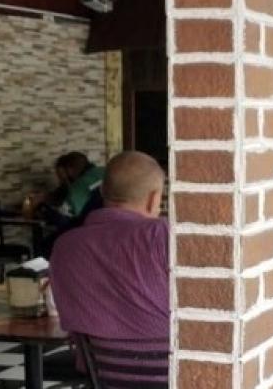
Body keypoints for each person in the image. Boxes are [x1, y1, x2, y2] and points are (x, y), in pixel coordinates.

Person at [50, 151, 169, 387]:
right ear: (154, 199)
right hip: (173, 378)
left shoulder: (65, 246)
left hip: (103, 379)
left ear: (102, 191)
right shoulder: (163, 236)